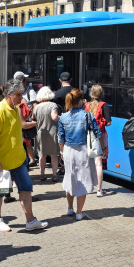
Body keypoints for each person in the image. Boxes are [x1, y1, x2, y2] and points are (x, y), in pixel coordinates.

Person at [0, 78, 48, 232]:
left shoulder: (16, 109)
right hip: (2, 160)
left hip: (19, 159)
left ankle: (30, 220)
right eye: (19, 95)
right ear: (9, 94)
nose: (22, 98)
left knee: (26, 188)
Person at [58, 88, 102, 220]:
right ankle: (79, 213)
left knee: (70, 179)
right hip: (83, 151)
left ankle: (70, 208)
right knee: (82, 180)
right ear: (81, 101)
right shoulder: (87, 115)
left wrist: (61, 151)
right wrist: (103, 148)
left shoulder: (63, 117)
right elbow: (97, 133)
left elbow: (60, 138)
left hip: (68, 151)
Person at [84, 84, 111, 196]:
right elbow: (108, 123)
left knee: (88, 162)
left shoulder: (86, 105)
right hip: (100, 136)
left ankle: (88, 187)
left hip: (87, 136)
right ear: (101, 94)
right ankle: (99, 190)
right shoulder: (103, 105)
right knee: (98, 164)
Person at [33, 86, 60, 182]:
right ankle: (54, 175)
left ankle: (42, 174)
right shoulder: (53, 105)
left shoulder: (37, 107)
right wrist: (60, 117)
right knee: (54, 155)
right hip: (52, 132)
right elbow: (54, 117)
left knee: (42, 155)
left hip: (40, 132)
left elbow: (33, 118)